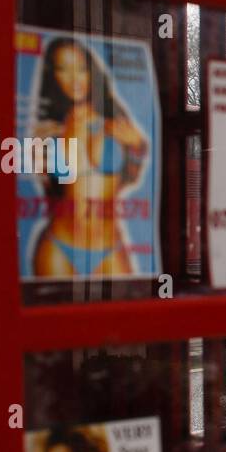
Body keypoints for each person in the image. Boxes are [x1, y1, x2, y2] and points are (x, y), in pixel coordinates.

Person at [30, 37, 148, 278]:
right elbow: (51, 192)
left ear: (91, 71)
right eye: (63, 69)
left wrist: (137, 148)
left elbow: (130, 180)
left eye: (81, 68)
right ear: (54, 76)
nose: (74, 79)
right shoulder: (50, 130)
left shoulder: (115, 123)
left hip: (109, 245)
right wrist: (35, 157)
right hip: (58, 247)